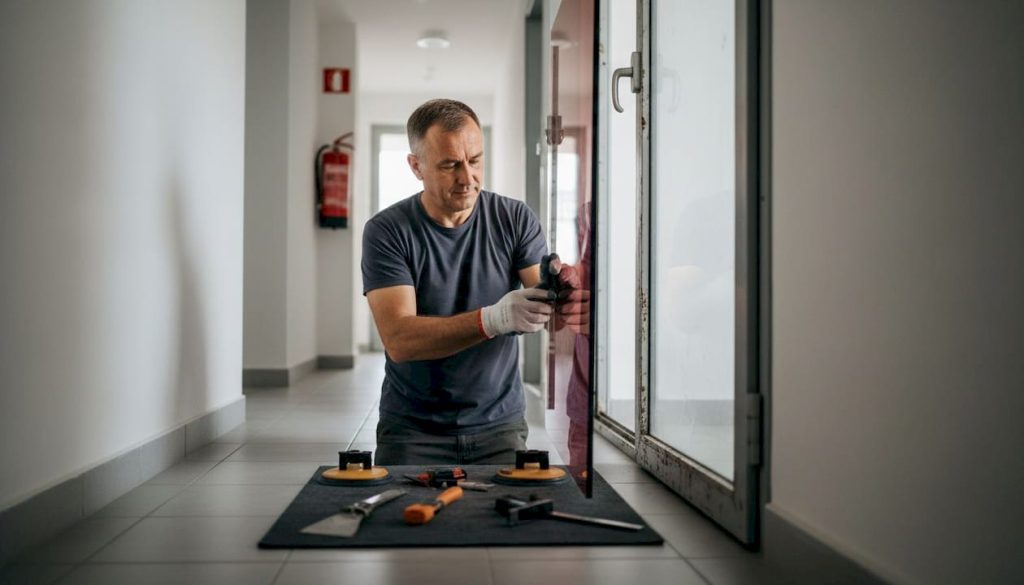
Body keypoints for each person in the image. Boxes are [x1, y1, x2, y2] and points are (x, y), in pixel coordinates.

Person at [361, 98, 553, 465]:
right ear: (416, 166)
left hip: (500, 424)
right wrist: (493, 319)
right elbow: (400, 340)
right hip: (412, 429)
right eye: (450, 165)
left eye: (476, 160)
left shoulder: (514, 218)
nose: (468, 178)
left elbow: (547, 297)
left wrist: (568, 290)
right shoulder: (386, 231)